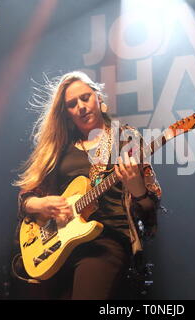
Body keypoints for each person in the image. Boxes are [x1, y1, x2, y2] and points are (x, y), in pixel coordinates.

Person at [12, 71, 162, 300]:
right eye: (72, 104)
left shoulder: (125, 140)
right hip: (59, 245)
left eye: (85, 98)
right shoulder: (58, 148)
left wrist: (137, 189)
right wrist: (40, 204)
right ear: (67, 114)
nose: (81, 106)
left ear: (98, 98)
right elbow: (27, 196)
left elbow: (150, 210)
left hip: (105, 242)